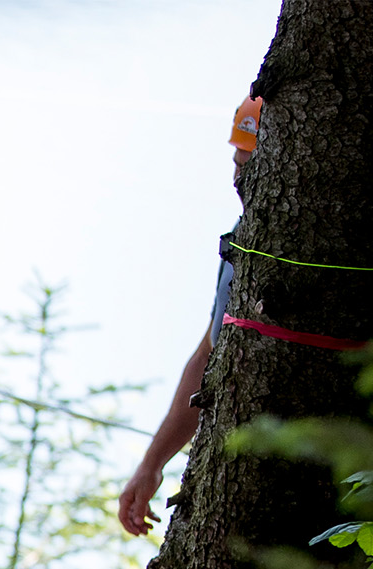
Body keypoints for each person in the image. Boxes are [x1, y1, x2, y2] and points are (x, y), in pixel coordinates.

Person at [118, 95, 263, 537]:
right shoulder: (239, 241)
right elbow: (207, 356)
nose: (237, 174)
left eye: (247, 160)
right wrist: (152, 463)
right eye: (236, 160)